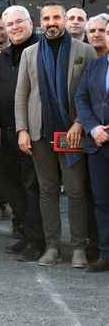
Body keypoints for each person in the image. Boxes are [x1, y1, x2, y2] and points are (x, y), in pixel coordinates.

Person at [14, 2, 96, 268]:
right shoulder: (29, 53)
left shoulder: (85, 51)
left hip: (72, 133)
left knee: (75, 191)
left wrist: (81, 123)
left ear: (64, 20)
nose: (52, 22)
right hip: (40, 133)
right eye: (47, 18)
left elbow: (93, 95)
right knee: (47, 190)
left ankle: (78, 248)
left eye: (56, 17)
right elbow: (21, 95)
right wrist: (22, 130)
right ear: (41, 21)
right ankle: (51, 246)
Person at [0, 6, 44, 261]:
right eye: (9, 24)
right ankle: (25, 233)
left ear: (30, 22)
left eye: (18, 22)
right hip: (8, 133)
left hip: (32, 133)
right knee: (9, 184)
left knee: (32, 187)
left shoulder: (41, 50)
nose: (14, 27)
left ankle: (37, 241)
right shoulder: (3, 56)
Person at [75, 31, 109, 272]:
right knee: (102, 202)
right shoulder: (95, 66)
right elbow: (81, 98)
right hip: (97, 145)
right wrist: (93, 127)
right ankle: (106, 254)